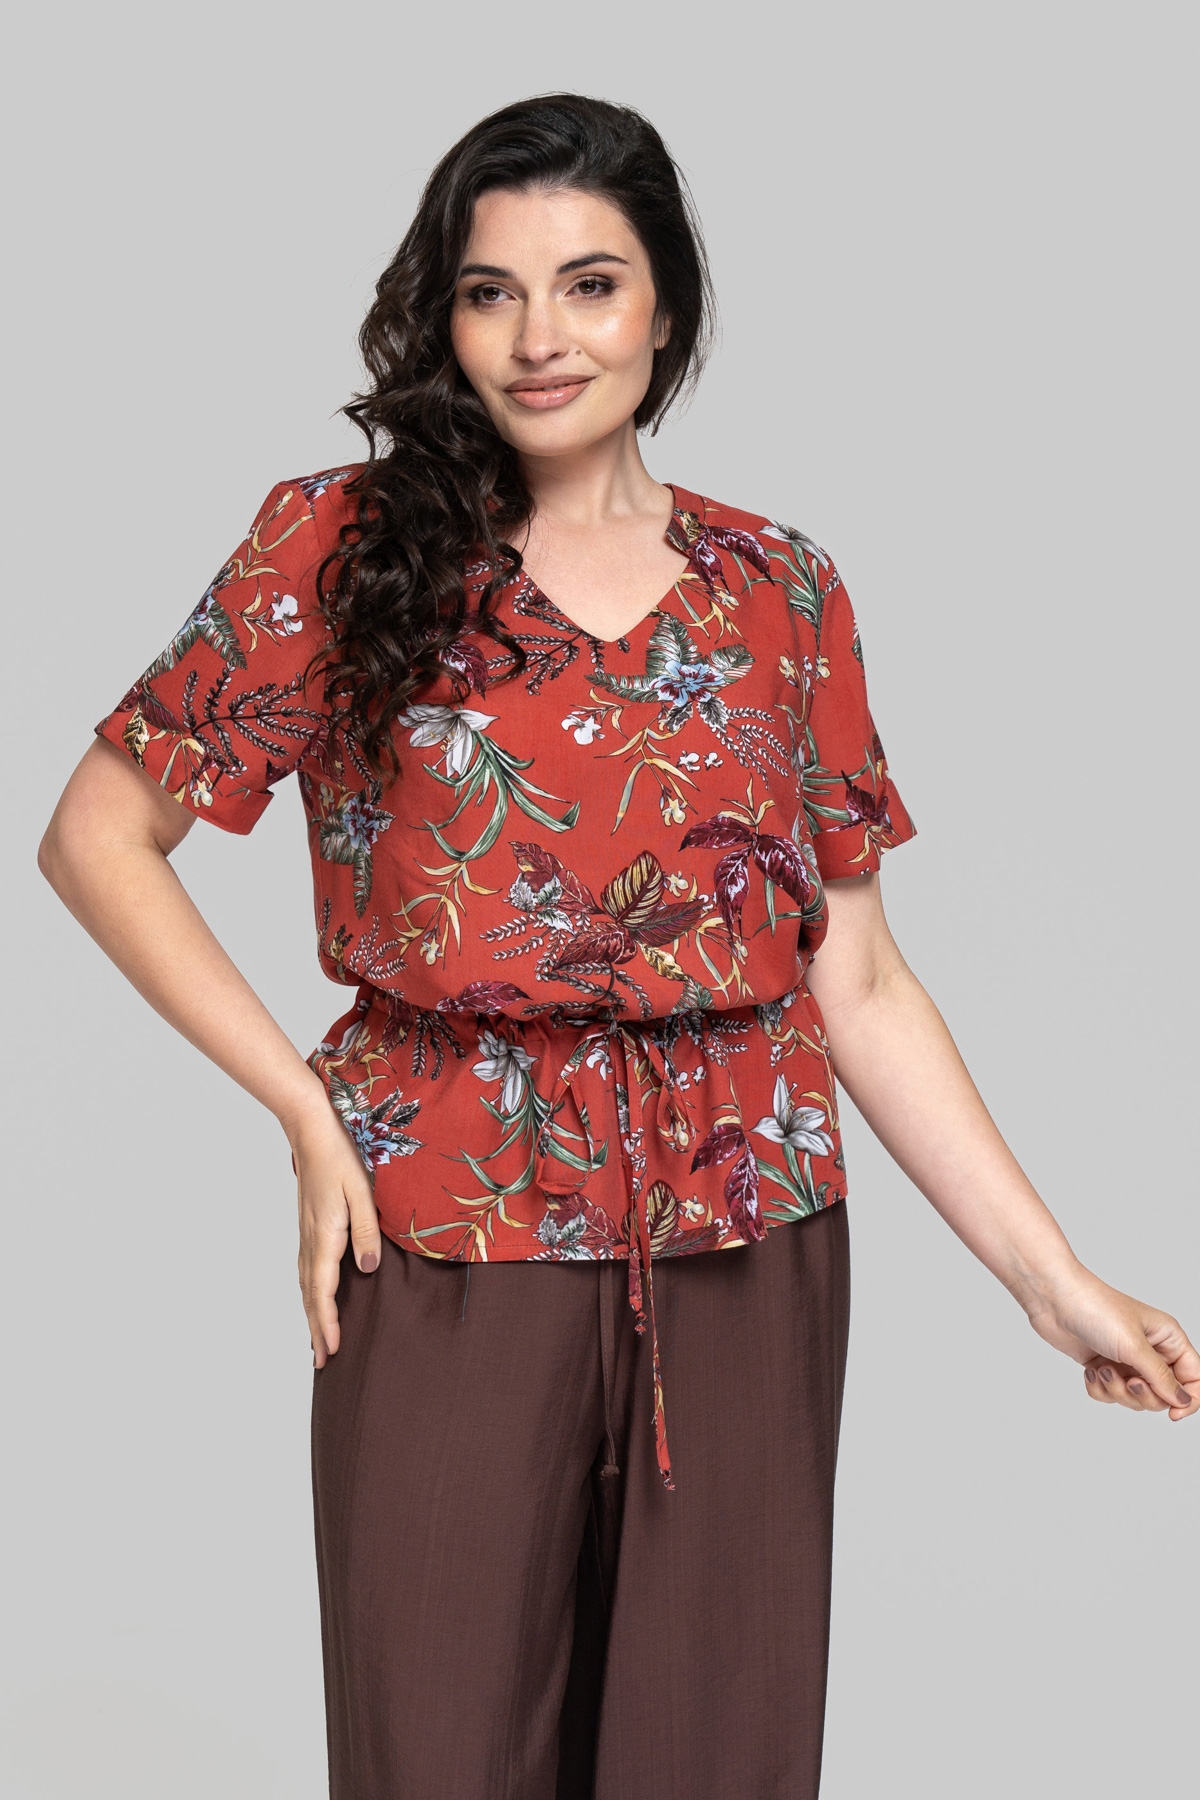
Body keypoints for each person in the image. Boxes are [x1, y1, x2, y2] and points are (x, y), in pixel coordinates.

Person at [38, 93, 1198, 1800]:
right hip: (448, 1222)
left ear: (667, 308)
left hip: (748, 1243)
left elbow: (859, 978)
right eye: (489, 292)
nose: (539, 338)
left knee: (716, 1761)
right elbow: (94, 835)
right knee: (435, 1755)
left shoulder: (779, 588)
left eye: (589, 285)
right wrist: (299, 1105)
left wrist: (1052, 1280)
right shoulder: (341, 547)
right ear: (445, 318)